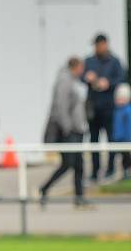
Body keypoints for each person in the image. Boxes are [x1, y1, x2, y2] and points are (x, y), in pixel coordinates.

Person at [39, 57, 89, 208]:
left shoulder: (72, 81)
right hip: (69, 131)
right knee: (68, 164)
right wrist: (68, 128)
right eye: (82, 67)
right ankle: (45, 188)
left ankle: (79, 197)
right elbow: (61, 107)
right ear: (76, 66)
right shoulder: (64, 81)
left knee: (78, 165)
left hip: (76, 130)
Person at [83, 34, 126, 181]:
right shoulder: (89, 61)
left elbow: (121, 77)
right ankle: (95, 172)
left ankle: (110, 169)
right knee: (93, 140)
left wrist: (108, 83)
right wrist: (87, 78)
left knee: (111, 139)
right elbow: (81, 75)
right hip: (93, 107)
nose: (98, 48)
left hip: (108, 106)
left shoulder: (114, 61)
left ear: (105, 45)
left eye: (100, 45)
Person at [111, 82, 131, 179]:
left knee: (126, 158)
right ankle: (123, 173)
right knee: (120, 157)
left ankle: (127, 172)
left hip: (126, 139)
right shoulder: (117, 110)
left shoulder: (127, 111)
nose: (118, 100)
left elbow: (128, 127)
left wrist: (128, 138)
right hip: (118, 138)